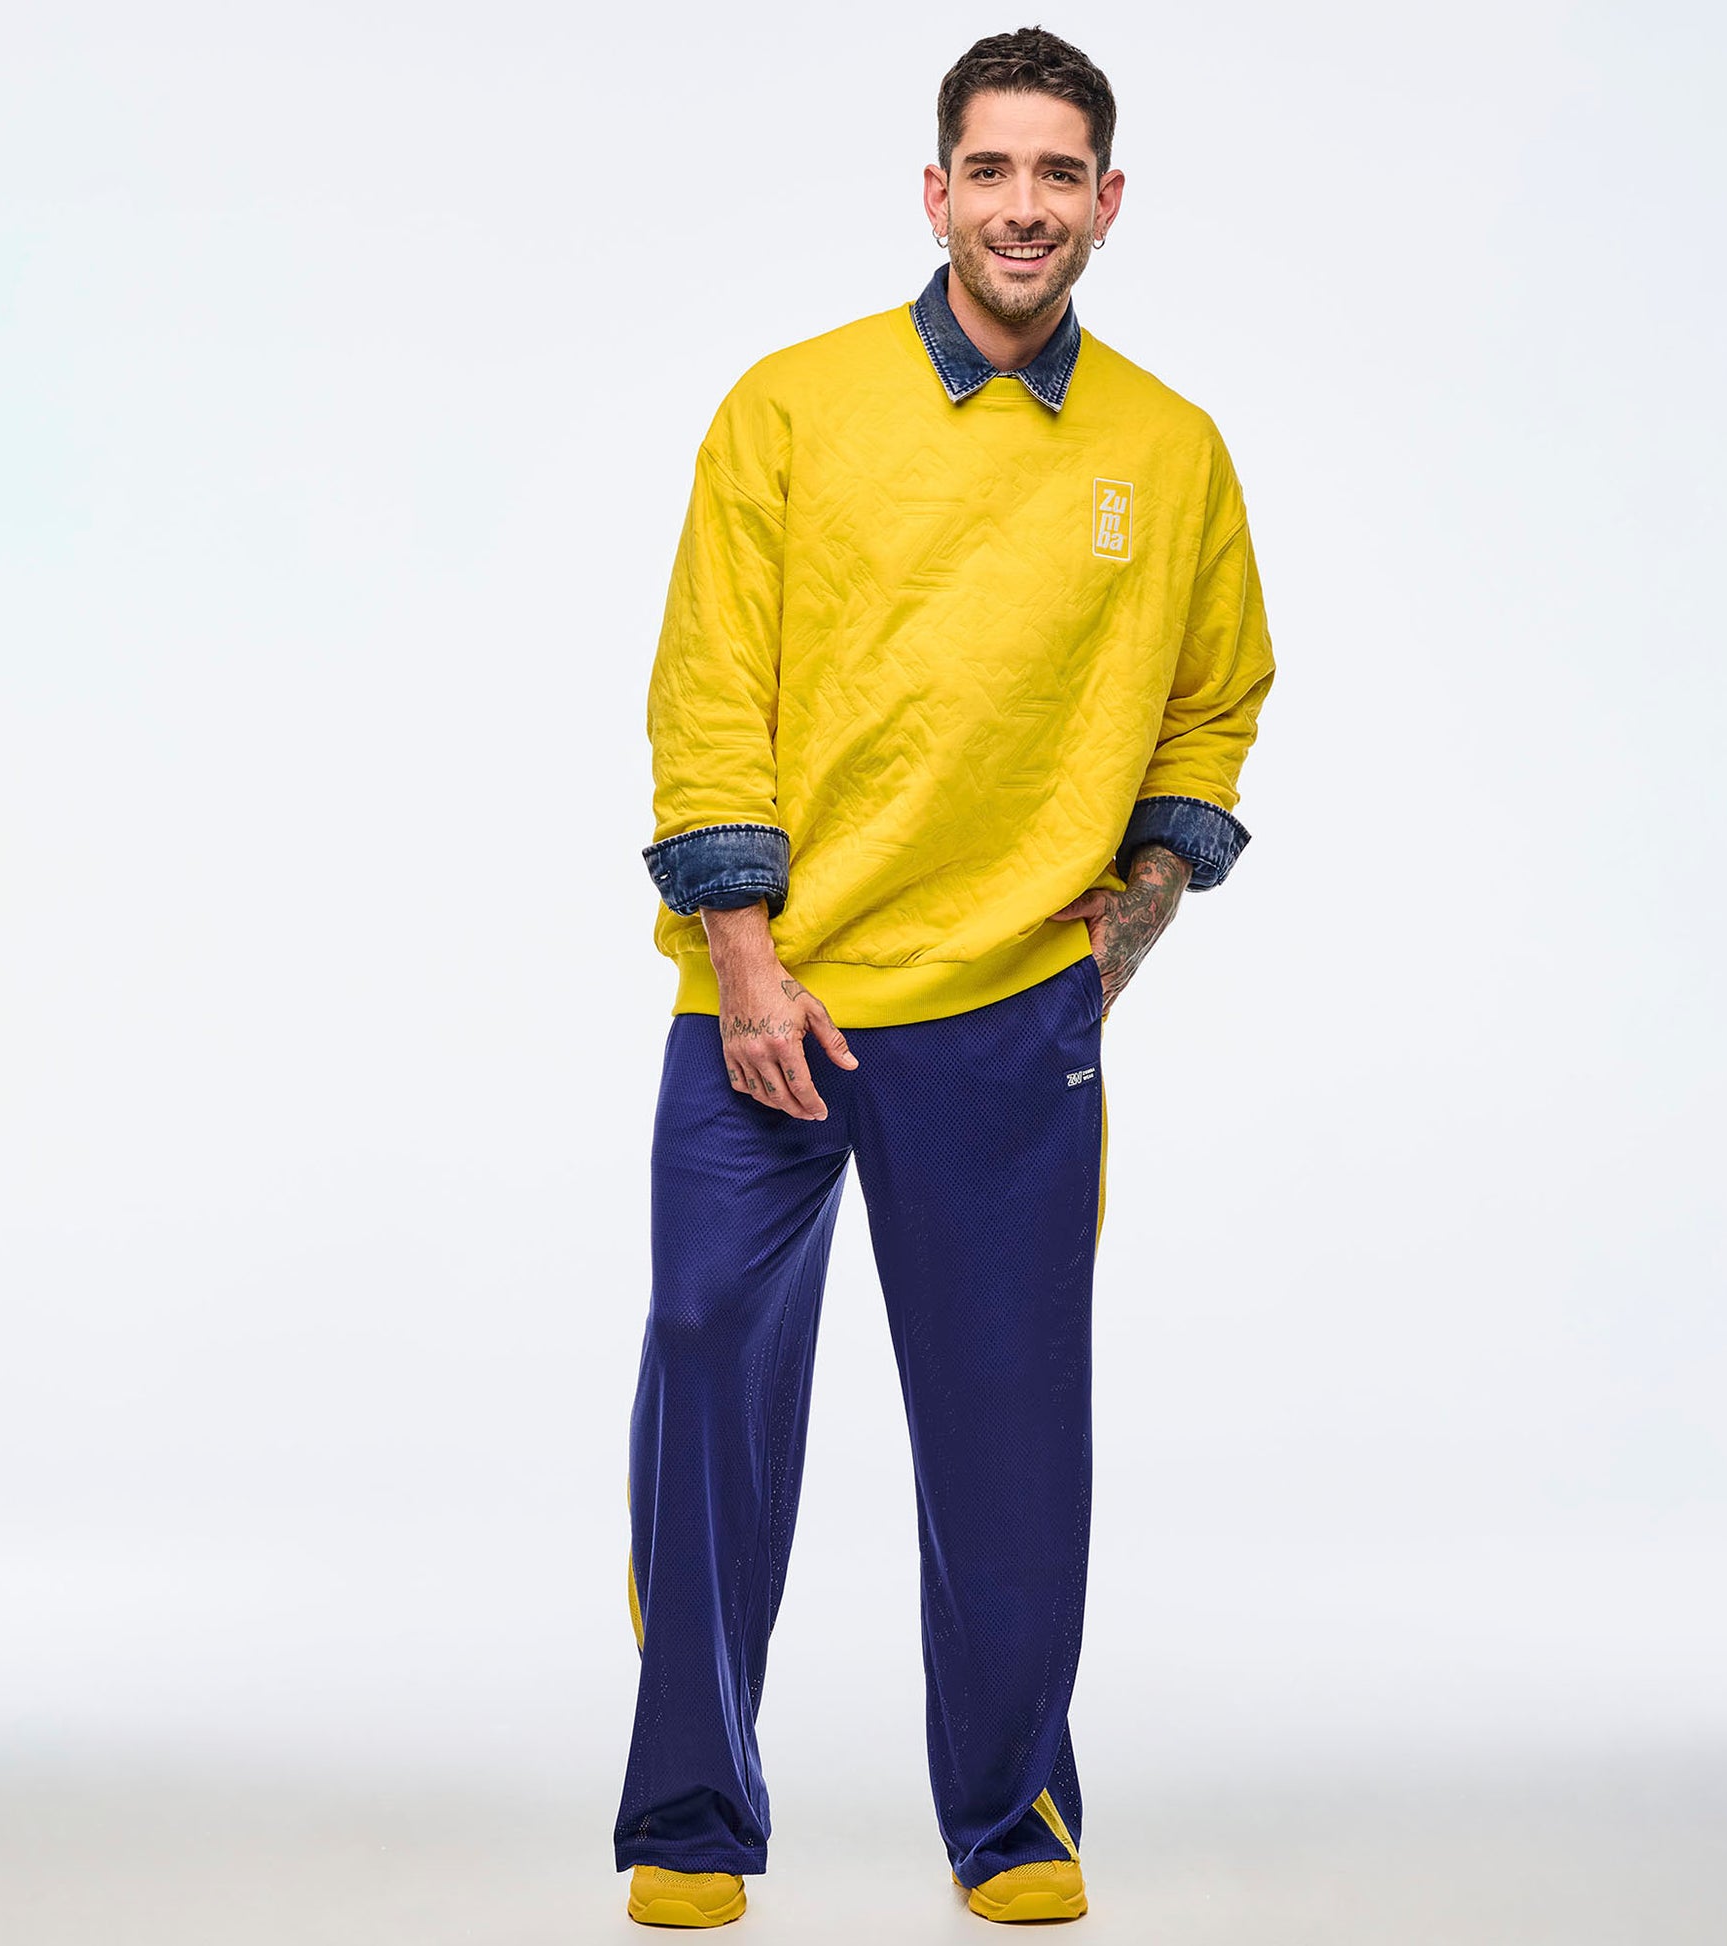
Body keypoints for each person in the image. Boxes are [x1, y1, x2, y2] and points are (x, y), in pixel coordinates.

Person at [614, 25, 1275, 1929]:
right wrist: (744, 954)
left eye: (1058, 174)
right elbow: (705, 690)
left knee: (1007, 1423)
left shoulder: (1167, 448)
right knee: (707, 1373)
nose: (1021, 206)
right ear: (935, 190)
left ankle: (1011, 1813)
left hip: (1006, 1008)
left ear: (1107, 202)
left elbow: (1214, 698)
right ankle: (688, 1812)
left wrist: (1130, 916)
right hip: (767, 994)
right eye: (990, 170)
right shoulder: (788, 408)